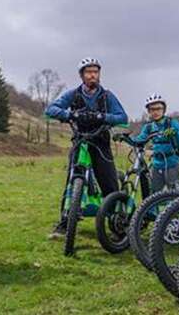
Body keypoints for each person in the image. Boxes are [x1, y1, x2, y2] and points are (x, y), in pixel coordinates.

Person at [46, 57, 128, 238]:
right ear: (82, 75)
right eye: (88, 72)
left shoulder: (107, 96)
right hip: (80, 142)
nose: (92, 75)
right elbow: (51, 110)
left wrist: (101, 117)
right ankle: (65, 222)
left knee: (109, 183)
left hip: (100, 143)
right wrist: (71, 114)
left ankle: (117, 225)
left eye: (95, 72)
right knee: (71, 180)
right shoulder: (73, 94)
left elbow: (122, 117)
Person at [131, 93, 179, 194]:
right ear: (149, 111)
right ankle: (153, 210)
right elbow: (140, 139)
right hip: (156, 164)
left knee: (175, 194)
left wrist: (174, 133)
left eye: (158, 108)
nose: (155, 112)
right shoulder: (149, 127)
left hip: (171, 163)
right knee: (154, 194)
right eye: (152, 109)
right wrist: (127, 139)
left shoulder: (171, 123)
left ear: (163, 109)